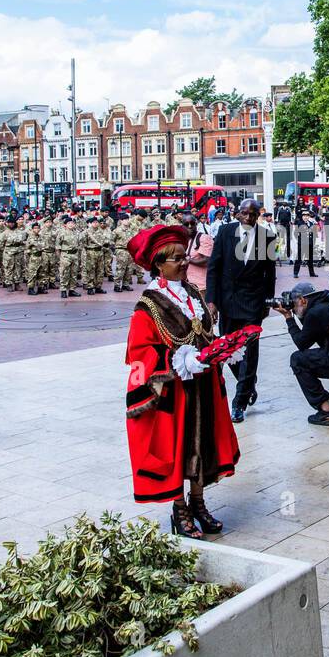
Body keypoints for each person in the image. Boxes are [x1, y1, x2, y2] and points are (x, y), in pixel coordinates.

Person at [123, 224, 239, 539]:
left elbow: (202, 332)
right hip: (173, 392)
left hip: (201, 385)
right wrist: (176, 361)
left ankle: (199, 501)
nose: (183, 262)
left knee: (202, 445)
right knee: (177, 449)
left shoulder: (190, 293)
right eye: (175, 259)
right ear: (158, 264)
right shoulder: (147, 305)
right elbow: (139, 351)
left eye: (182, 256)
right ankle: (179, 509)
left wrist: (218, 351)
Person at [204, 198, 276, 423]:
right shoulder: (225, 232)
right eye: (244, 213)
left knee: (250, 353)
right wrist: (212, 301)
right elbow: (214, 268)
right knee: (228, 350)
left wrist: (266, 302)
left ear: (258, 216)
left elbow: (269, 274)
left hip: (253, 303)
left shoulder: (267, 237)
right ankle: (248, 384)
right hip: (227, 302)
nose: (247, 218)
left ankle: (240, 401)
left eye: (252, 214)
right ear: (237, 214)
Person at [273, 281, 329, 427]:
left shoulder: (315, 313)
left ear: (302, 300)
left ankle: (325, 410)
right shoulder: (327, 300)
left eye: (294, 304)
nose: (293, 308)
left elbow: (301, 343)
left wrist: (288, 318)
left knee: (297, 360)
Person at [291, 206, 318, 278]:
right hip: (302, 243)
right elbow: (295, 233)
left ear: (309, 216)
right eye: (304, 216)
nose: (305, 217)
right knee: (299, 258)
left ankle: (312, 273)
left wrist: (313, 242)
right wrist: (300, 240)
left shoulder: (311, 223)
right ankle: (295, 273)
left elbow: (314, 234)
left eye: (307, 216)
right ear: (302, 217)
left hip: (310, 244)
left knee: (310, 259)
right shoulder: (299, 223)